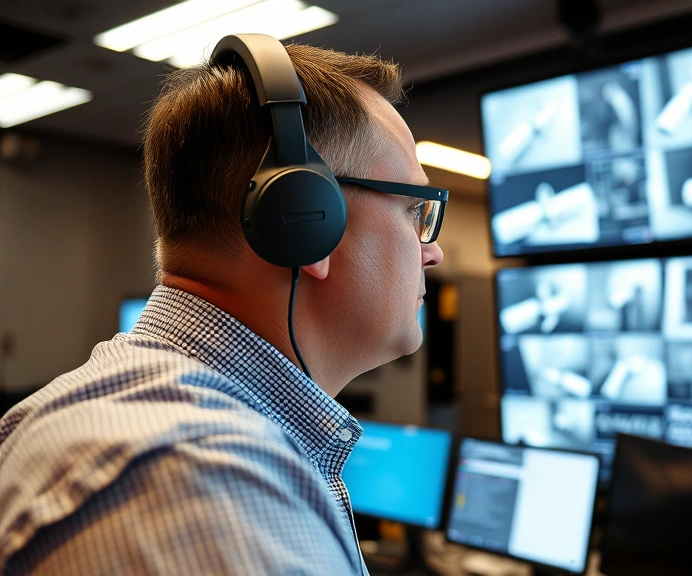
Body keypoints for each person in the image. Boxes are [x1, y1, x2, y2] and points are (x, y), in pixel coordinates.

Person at [0, 40, 443, 574]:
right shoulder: (212, 489)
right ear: (308, 221)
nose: (433, 251)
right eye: (415, 208)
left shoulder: (64, 410)